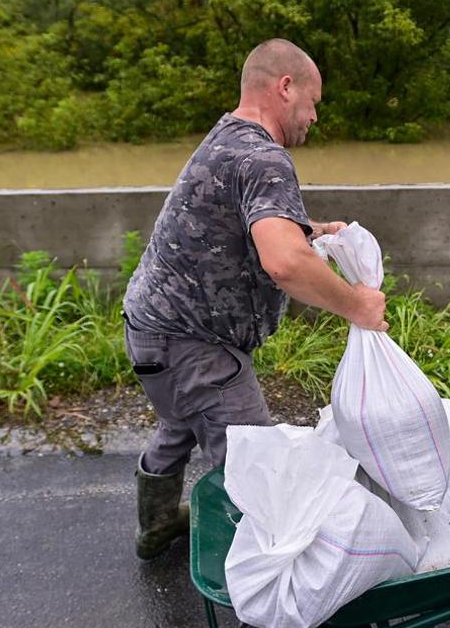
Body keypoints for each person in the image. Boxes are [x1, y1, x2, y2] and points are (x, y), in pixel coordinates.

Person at [121, 39, 387, 560]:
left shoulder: (227, 138)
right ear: (285, 87)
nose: (313, 117)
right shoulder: (266, 155)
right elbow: (283, 263)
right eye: (313, 102)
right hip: (194, 346)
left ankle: (155, 526)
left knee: (179, 422)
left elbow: (232, 221)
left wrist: (309, 229)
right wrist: (358, 305)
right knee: (257, 467)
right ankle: (272, 598)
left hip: (153, 334)